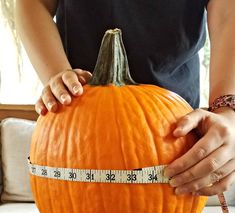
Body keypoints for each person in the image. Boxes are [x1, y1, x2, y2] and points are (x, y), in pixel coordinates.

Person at [15, 0, 235, 196]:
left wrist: (227, 111)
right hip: (81, 122)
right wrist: (58, 75)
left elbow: (227, 14)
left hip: (175, 134)